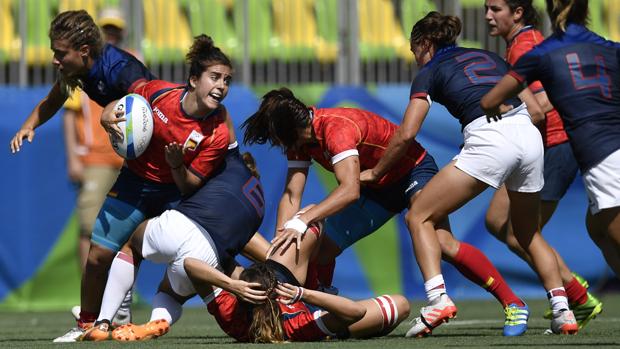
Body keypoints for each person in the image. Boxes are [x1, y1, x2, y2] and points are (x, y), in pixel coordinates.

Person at [242, 88, 530, 337]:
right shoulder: (301, 141)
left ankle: (512, 304)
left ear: (286, 131)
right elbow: (292, 195)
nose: (276, 145)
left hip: (412, 171)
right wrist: (280, 251)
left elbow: (350, 190)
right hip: (378, 186)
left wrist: (304, 219)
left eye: (274, 137)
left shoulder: (335, 129)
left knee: (442, 243)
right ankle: (320, 307)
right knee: (323, 248)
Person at [361, 11, 579, 336]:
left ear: (424, 43)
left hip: (490, 137)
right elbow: (535, 110)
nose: (415, 58)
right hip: (529, 136)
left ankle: (437, 299)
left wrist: (376, 172)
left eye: (414, 51)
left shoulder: (430, 70)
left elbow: (407, 133)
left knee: (418, 216)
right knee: (527, 233)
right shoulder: (489, 56)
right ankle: (563, 312)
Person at [53, 34, 234, 342]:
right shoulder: (158, 93)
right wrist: (109, 113)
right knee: (98, 256)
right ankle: (87, 324)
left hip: (177, 195)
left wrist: (176, 165)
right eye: (214, 77)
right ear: (193, 80)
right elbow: (121, 102)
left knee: (209, 260)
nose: (221, 86)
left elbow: (191, 185)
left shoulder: (217, 131)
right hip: (135, 183)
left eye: (227, 80)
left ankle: (124, 321)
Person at [483, 0, 602, 330]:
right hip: (542, 144)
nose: (487, 16)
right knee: (498, 222)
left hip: (554, 144)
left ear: (518, 13)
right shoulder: (524, 43)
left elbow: (543, 104)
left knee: (522, 234)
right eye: (486, 8)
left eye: (495, 9)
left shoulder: (525, 46)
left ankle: (574, 299)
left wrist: (502, 117)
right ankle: (574, 294)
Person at [79, 148, 268, 341]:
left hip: (182, 225)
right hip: (208, 254)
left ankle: (103, 322)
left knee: (130, 244)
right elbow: (260, 251)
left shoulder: (228, 169)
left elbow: (221, 140)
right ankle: (157, 320)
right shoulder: (258, 206)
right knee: (172, 295)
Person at [182, 207, 411, 343]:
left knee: (307, 220)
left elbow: (190, 264)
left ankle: (312, 281)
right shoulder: (295, 325)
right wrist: (305, 294)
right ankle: (321, 292)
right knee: (400, 306)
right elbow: (355, 311)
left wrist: (233, 286)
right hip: (320, 310)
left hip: (296, 288)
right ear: (273, 290)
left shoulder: (232, 314)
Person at [62, 9, 129, 321]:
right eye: (107, 31)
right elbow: (69, 112)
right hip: (95, 158)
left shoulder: (128, 63)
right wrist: (74, 156)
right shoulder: (80, 68)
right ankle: (90, 297)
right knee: (90, 229)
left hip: (128, 157)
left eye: (116, 31)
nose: (111, 36)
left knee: (126, 232)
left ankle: (118, 301)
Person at [9, 10, 154, 154]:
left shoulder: (118, 66)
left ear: (84, 50)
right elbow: (52, 102)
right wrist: (28, 126)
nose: (54, 60)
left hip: (164, 140)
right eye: (54, 51)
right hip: (143, 150)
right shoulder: (77, 69)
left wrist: (110, 108)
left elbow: (148, 99)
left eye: (61, 53)